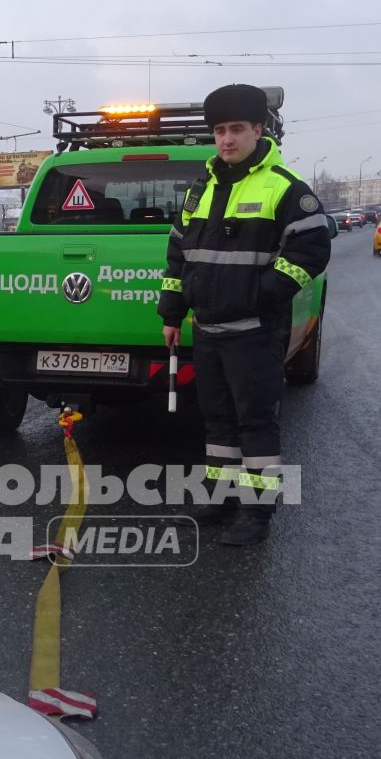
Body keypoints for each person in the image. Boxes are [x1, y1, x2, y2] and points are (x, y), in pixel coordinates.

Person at [159, 84, 331, 547]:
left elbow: (312, 248)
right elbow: (178, 255)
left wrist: (264, 293)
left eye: (237, 129)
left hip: (254, 332)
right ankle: (221, 498)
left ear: (258, 129)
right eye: (219, 130)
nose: (227, 139)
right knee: (217, 422)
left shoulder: (283, 188)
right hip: (209, 331)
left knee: (256, 424)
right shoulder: (203, 189)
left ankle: (257, 513)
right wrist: (172, 312)